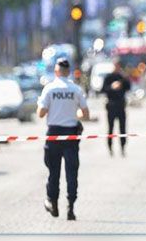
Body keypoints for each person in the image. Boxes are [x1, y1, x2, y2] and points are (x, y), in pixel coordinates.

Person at [37, 57, 89, 221]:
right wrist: (74, 114)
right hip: (71, 134)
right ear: (68, 72)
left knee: (54, 171)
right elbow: (85, 114)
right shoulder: (76, 89)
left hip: (54, 133)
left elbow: (41, 113)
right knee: (72, 172)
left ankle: (53, 202)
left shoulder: (49, 89)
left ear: (56, 71)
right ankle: (71, 207)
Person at [101, 58, 131, 156]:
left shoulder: (121, 77)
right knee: (111, 128)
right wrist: (112, 87)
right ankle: (110, 147)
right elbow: (103, 89)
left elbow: (128, 87)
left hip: (121, 105)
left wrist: (124, 80)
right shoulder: (109, 77)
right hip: (111, 105)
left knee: (122, 128)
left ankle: (122, 147)